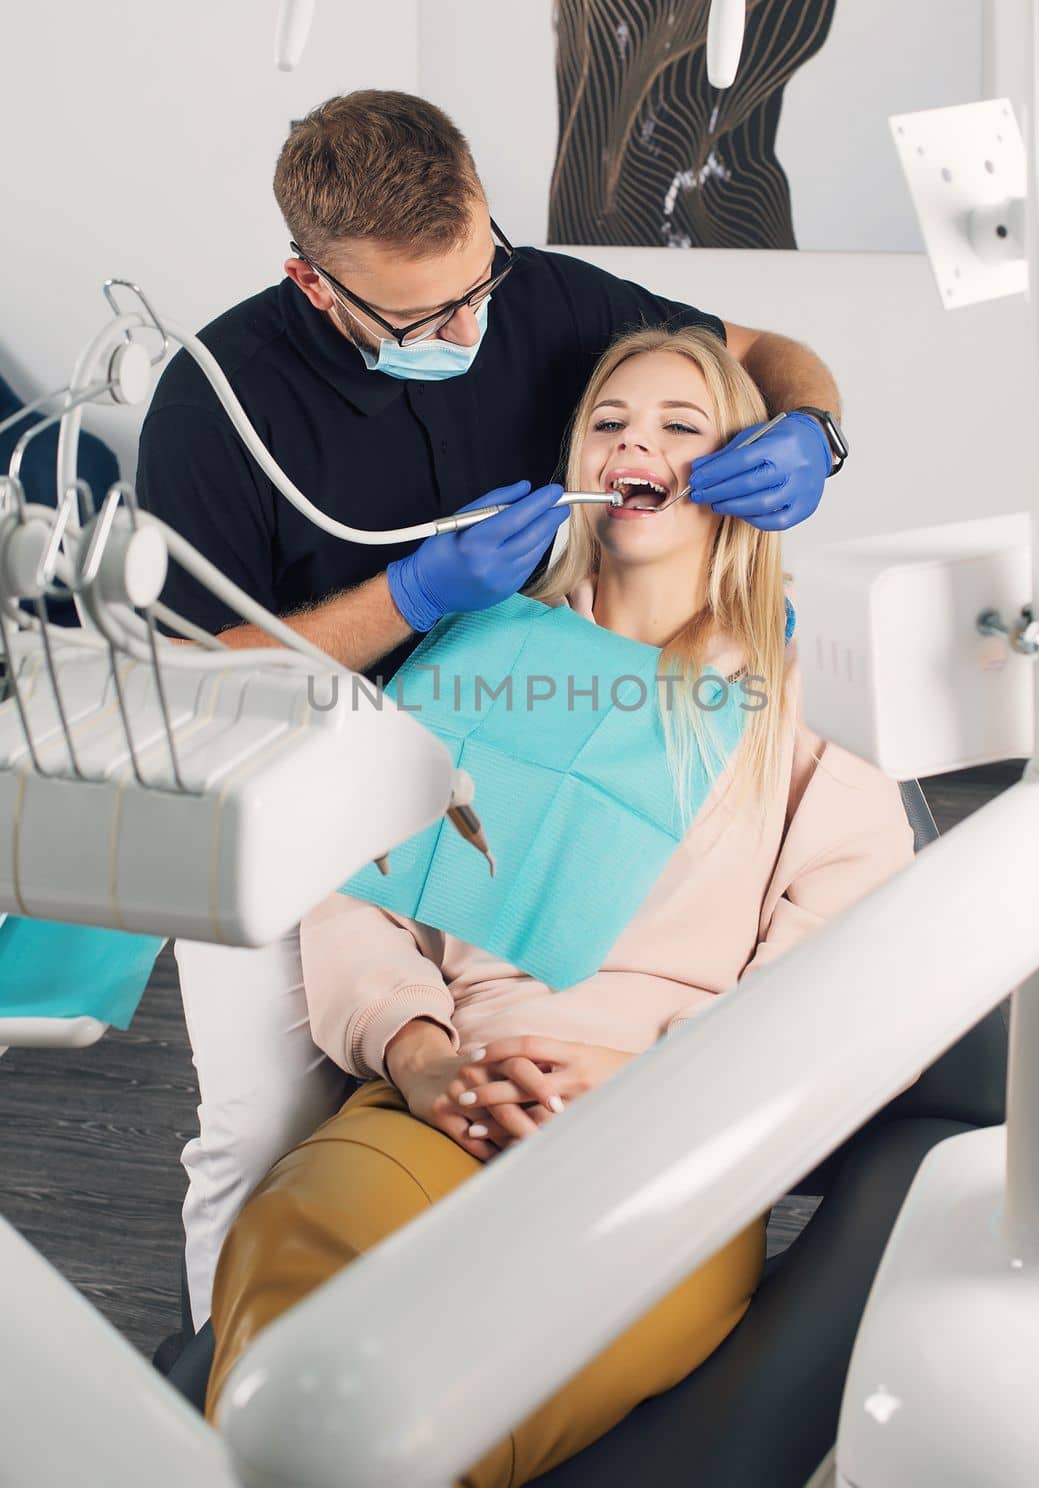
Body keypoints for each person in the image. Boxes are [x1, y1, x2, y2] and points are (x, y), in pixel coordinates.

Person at [135, 88, 849, 1332]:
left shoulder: (548, 301)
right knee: (264, 1131)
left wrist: (816, 431)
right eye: (428, 313)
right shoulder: (216, 404)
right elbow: (183, 680)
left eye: (481, 279)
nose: (473, 323)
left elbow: (769, 356)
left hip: (511, 864)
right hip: (266, 776)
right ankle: (218, 1408)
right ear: (318, 286)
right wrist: (408, 594)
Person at [204, 325, 911, 1486]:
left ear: (738, 473)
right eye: (610, 422)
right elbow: (356, 893)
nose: (639, 441)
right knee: (296, 1329)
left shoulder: (805, 711)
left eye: (684, 428)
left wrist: (671, 1096)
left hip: (667, 1149)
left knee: (448, 1417)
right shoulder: (477, 659)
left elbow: (830, 969)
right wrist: (423, 1056)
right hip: (445, 1101)